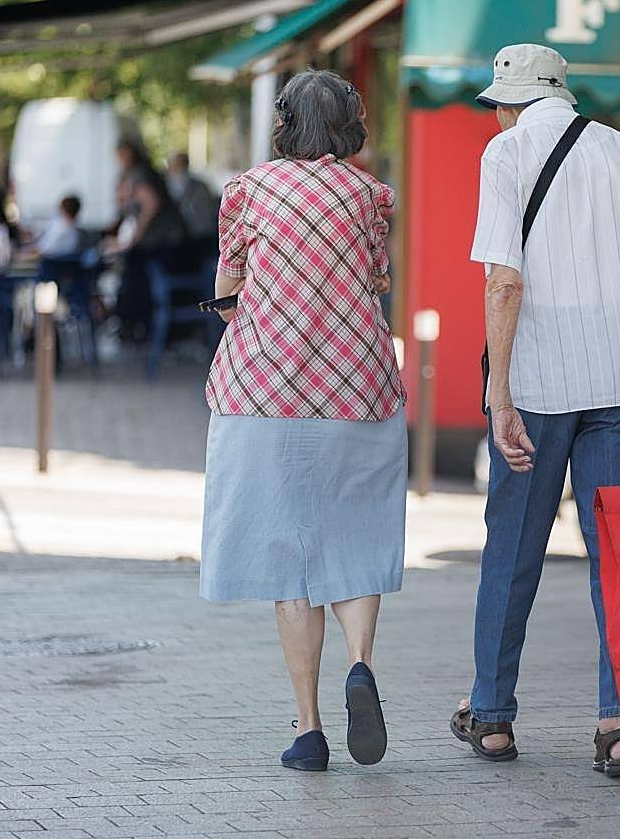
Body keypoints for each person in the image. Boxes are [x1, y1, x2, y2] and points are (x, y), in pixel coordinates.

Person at [450, 44, 620, 776]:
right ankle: (618, 724)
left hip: (541, 385)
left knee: (513, 547)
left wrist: (501, 397)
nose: (495, 122)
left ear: (511, 105)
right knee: (615, 557)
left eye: (497, 109)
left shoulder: (506, 157)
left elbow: (503, 285)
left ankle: (492, 717)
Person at [199, 69, 404, 774]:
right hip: (359, 388)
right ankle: (360, 665)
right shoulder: (373, 195)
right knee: (357, 536)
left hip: (265, 390)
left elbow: (229, 285)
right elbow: (377, 278)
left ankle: (310, 730)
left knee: (290, 558)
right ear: (350, 123)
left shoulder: (247, 191)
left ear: (284, 123)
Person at [112, 139, 187, 338]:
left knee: (138, 277)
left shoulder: (140, 174)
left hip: (162, 240)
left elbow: (150, 205)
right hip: (161, 240)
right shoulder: (137, 174)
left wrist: (136, 236)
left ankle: (138, 325)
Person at [166, 152, 219, 258]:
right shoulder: (164, 185)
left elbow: (207, 210)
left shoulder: (200, 186)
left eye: (179, 164)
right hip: (173, 236)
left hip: (198, 234)